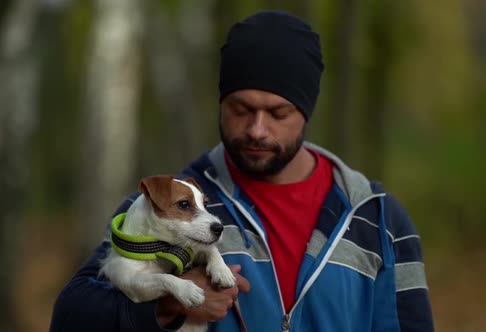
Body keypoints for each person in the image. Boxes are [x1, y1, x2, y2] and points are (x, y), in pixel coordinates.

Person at [50, 10, 434, 332]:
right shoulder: (168, 206)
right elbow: (71, 317)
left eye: (278, 113)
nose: (256, 129)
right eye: (241, 109)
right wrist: (168, 307)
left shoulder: (378, 219)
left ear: (306, 112)